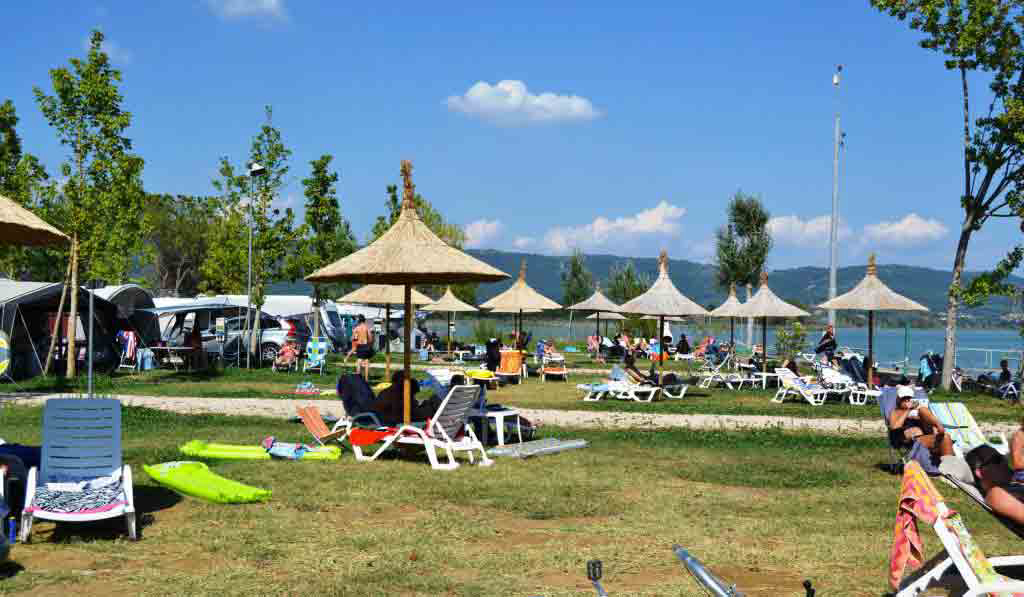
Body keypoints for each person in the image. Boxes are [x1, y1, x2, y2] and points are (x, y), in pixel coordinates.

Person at [888, 385, 954, 458]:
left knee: (923, 409)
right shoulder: (895, 412)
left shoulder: (915, 412)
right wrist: (907, 411)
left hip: (926, 435)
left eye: (909, 398)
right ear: (898, 399)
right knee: (945, 439)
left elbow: (926, 421)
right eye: (904, 398)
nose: (907, 400)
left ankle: (938, 425)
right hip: (912, 441)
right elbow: (894, 427)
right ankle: (948, 465)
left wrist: (918, 414)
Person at [965, 444, 1024, 526]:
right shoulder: (996, 495)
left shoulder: (1014, 485)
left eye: (1003, 457)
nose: (1005, 462)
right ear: (980, 472)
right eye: (997, 460)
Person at [368, 371, 443, 426]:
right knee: (434, 402)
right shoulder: (395, 394)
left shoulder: (391, 392)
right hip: (395, 421)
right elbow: (402, 413)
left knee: (433, 402)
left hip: (395, 418)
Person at [351, 315, 374, 380]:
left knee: (359, 362)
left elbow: (353, 338)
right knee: (366, 362)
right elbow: (370, 338)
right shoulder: (367, 328)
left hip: (360, 346)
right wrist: (368, 343)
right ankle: (366, 380)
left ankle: (358, 379)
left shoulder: (356, 328)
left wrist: (356, 340)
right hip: (366, 346)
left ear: (359, 321)